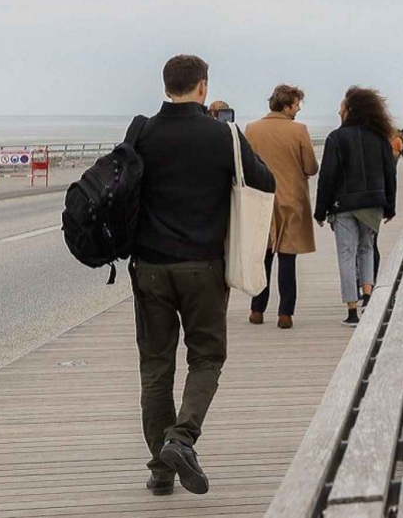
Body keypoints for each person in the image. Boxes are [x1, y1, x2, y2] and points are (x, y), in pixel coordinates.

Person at [130, 54, 275, 497]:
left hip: (150, 266)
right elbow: (265, 182)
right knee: (206, 357)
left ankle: (161, 469)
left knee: (156, 367)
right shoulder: (222, 134)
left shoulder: (142, 132)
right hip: (203, 266)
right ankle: (181, 439)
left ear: (166, 85)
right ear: (202, 88)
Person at [315, 87, 398, 328]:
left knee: (346, 254)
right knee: (366, 249)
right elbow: (389, 174)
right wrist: (390, 206)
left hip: (343, 206)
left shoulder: (336, 138)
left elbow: (327, 177)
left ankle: (352, 310)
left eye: (342, 107)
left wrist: (320, 210)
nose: (339, 110)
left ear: (351, 110)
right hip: (372, 203)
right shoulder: (380, 137)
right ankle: (368, 296)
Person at [244, 84, 319, 330]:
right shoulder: (299, 130)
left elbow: (246, 167)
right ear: (287, 106)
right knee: (288, 259)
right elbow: (310, 167)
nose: (298, 109)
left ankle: (257, 308)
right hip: (290, 200)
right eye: (296, 105)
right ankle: (285, 314)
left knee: (262, 257)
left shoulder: (252, 129)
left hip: (261, 200)